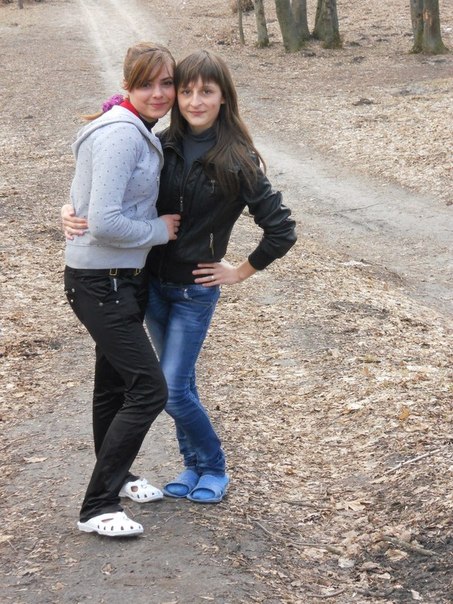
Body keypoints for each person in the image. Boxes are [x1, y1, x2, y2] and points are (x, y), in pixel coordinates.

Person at [62, 49, 297, 505]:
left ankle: (213, 465)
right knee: (178, 385)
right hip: (149, 286)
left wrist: (239, 271)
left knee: (170, 388)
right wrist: (70, 209)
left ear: (224, 97)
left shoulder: (238, 159)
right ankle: (191, 466)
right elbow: (118, 191)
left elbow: (281, 230)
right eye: (185, 90)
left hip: (194, 292)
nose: (194, 101)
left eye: (206, 92)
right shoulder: (160, 144)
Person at [63, 41, 180, 537]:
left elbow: (87, 196)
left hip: (121, 278)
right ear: (127, 85)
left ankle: (119, 477)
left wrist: (68, 209)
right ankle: (97, 507)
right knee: (149, 389)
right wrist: (159, 230)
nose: (159, 93)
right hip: (101, 281)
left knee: (113, 386)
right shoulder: (121, 134)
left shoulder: (134, 127)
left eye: (167, 83)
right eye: (147, 83)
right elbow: (106, 222)